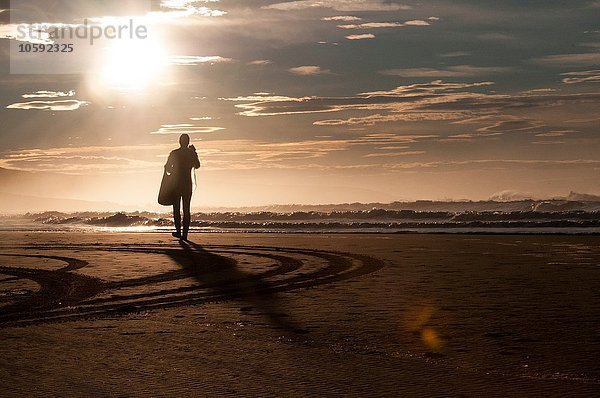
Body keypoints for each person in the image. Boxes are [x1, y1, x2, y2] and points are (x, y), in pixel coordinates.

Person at [164, 134, 200, 240]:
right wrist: (194, 152)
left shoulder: (174, 153)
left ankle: (179, 232)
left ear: (179, 142)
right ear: (188, 142)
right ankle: (185, 234)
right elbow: (197, 165)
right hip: (187, 185)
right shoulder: (191, 154)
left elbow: (168, 169)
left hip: (176, 184)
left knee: (176, 209)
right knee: (186, 209)